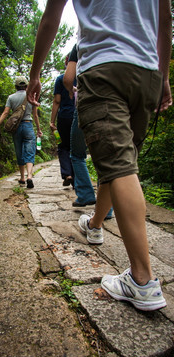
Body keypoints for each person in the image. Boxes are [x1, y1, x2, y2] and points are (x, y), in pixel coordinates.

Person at [26, 0, 172, 311]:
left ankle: (142, 281)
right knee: (121, 164)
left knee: (119, 166)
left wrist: (35, 73)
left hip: (103, 71)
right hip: (146, 73)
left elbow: (51, 16)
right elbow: (164, 20)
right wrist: (164, 77)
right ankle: (94, 225)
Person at [64, 43, 113, 219]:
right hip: (117, 100)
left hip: (87, 101)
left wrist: (72, 90)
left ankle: (85, 194)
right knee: (110, 156)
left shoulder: (82, 42)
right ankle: (106, 208)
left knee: (77, 154)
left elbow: (68, 79)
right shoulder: (123, 37)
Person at [0, 76, 42, 189]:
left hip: (16, 128)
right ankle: (30, 176)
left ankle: (22, 178)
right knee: (29, 151)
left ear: (16, 86)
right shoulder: (31, 96)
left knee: (19, 151)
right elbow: (35, 115)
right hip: (28, 124)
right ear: (26, 86)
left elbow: (5, 113)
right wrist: (39, 129)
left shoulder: (11, 98)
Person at [50, 55, 75, 187]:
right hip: (79, 117)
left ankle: (68, 174)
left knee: (62, 146)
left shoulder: (60, 79)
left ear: (66, 62)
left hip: (64, 118)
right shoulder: (82, 78)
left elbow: (57, 101)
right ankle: (77, 181)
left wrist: (52, 121)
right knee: (76, 149)